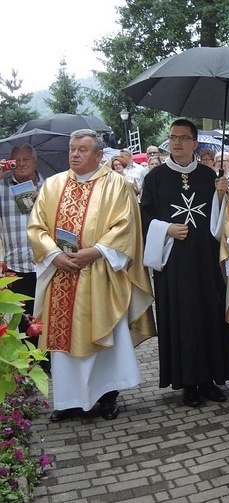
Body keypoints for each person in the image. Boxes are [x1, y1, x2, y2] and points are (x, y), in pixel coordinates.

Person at [27, 129, 155, 421]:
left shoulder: (116, 186)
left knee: (104, 337)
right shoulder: (53, 185)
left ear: (99, 155)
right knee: (64, 344)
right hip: (61, 275)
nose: (75, 154)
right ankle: (68, 401)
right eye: (73, 149)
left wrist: (96, 251)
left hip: (100, 273)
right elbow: (36, 227)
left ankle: (107, 396)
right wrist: (54, 255)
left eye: (83, 150)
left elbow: (126, 227)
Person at [140, 119, 229, 408]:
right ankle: (188, 383)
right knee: (182, 319)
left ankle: (211, 380)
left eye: (183, 137)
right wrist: (166, 229)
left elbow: (222, 223)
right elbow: (143, 218)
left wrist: (222, 195)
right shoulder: (155, 178)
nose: (177, 142)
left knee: (209, 316)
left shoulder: (210, 176)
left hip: (206, 260)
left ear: (196, 143)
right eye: (172, 137)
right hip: (174, 262)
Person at [0, 144, 44, 341]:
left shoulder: (50, 186)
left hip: (47, 263)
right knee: (23, 320)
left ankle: (51, 362)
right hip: (16, 266)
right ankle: (30, 364)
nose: (21, 164)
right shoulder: (2, 188)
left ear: (35, 162)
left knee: (47, 315)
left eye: (26, 159)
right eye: (16, 161)